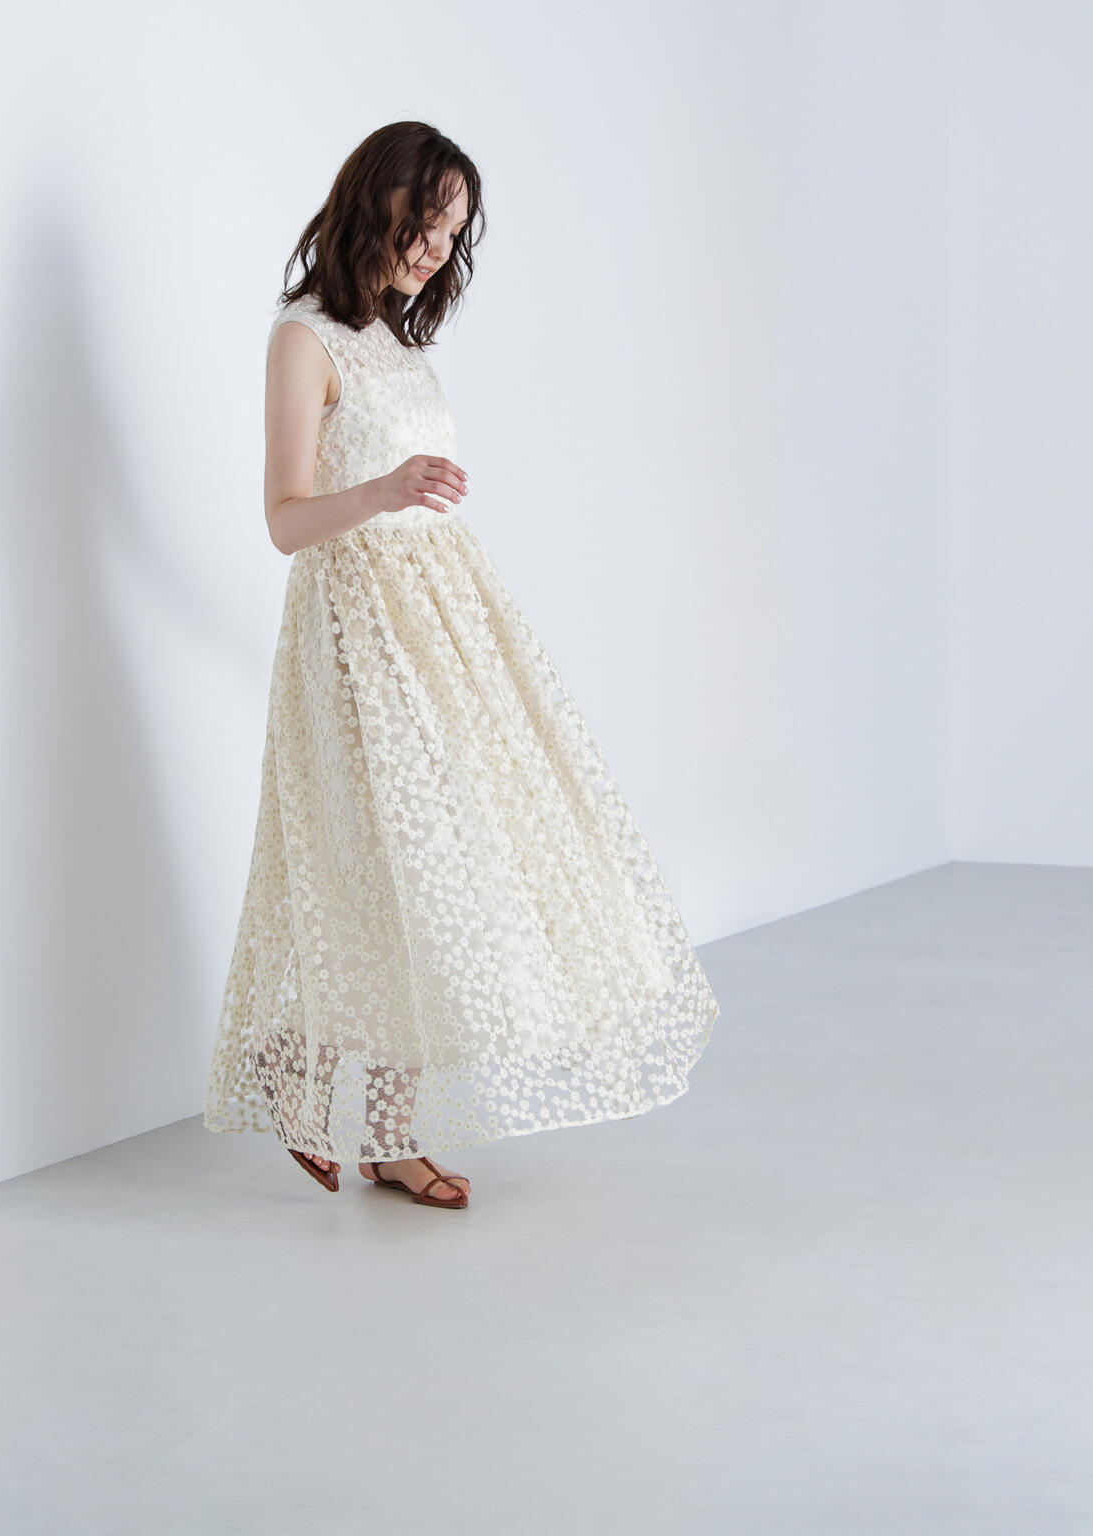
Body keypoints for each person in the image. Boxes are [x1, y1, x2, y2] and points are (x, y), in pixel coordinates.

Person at [203, 121, 720, 1209]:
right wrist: (383, 491)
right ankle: (323, 1079)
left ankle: (370, 1117)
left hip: (441, 627)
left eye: (453, 230)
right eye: (426, 219)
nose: (439, 246)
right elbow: (285, 520)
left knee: (431, 870)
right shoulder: (304, 340)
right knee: (378, 867)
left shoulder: (397, 345)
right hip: (355, 634)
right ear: (376, 202)